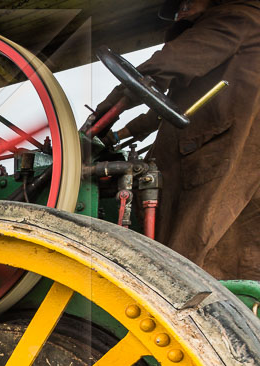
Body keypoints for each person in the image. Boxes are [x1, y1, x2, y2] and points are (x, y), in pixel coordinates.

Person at [97, 0, 260, 280]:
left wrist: (102, 115)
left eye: (185, 4)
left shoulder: (234, 16)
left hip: (218, 155)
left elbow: (162, 68)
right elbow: (165, 108)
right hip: (234, 157)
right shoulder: (230, 49)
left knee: (187, 255)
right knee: (234, 253)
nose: (179, 13)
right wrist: (115, 134)